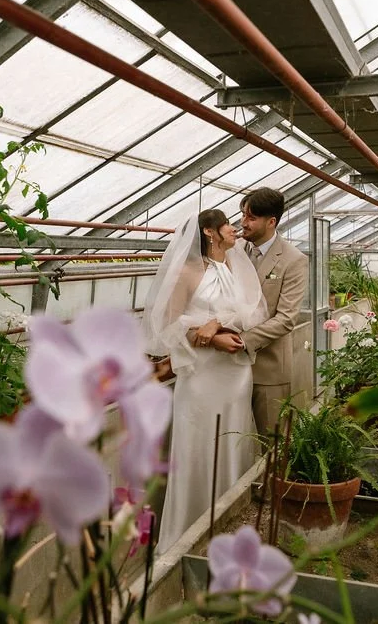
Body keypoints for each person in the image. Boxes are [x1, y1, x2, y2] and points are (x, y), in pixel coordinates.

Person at [143, 209, 267, 553]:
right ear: (210, 233)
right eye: (229, 224)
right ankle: (189, 530)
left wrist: (218, 323)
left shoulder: (236, 267)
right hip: (201, 372)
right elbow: (165, 325)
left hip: (236, 371)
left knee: (233, 437)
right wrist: (209, 335)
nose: (236, 229)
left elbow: (253, 313)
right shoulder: (185, 272)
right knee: (199, 440)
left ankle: (230, 525)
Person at [238, 188, 309, 439]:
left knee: (274, 445)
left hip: (268, 370)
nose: (243, 223)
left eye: (251, 218)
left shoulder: (293, 260)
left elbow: (286, 319)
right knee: (232, 442)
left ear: (271, 222)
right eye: (243, 215)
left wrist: (242, 341)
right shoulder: (233, 250)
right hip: (228, 367)